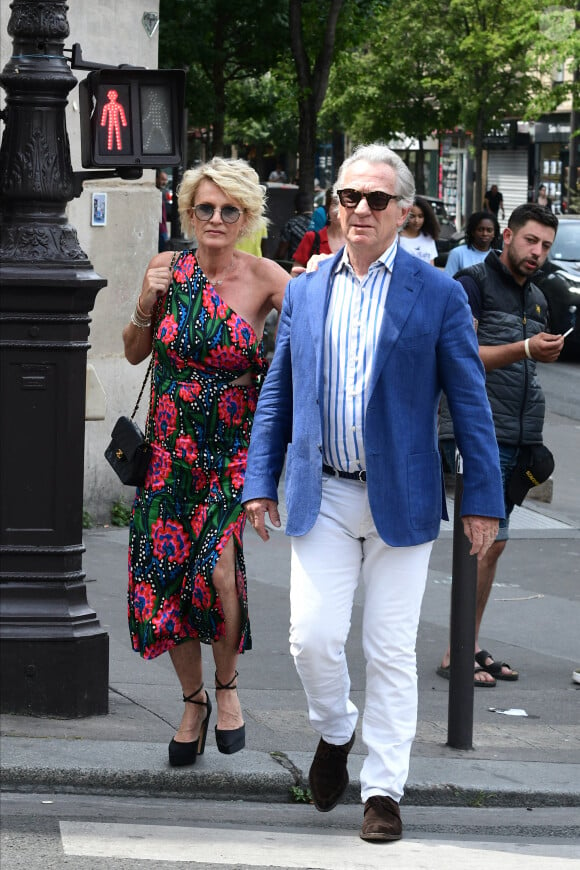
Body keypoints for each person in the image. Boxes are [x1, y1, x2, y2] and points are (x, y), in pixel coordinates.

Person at [242, 143, 504, 843]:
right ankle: (336, 730)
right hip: (322, 491)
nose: (360, 209)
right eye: (349, 197)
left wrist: (483, 498)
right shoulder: (306, 288)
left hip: (404, 497)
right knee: (312, 639)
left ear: (404, 213)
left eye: (377, 200)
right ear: (335, 207)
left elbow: (470, 403)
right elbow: (280, 390)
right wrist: (257, 481)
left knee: (390, 648)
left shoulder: (439, 294)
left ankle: (384, 789)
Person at [123, 157, 288, 768]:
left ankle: (227, 687)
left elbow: (312, 344)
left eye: (230, 210)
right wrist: (146, 301)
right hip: (167, 455)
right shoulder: (168, 270)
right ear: (189, 213)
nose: (216, 219)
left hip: (227, 456)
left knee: (216, 578)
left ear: (246, 217)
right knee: (166, 582)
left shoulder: (268, 278)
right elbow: (135, 352)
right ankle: (191, 702)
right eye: (206, 208)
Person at [437, 203, 564, 686]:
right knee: (483, 542)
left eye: (546, 246)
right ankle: (457, 652)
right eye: (531, 241)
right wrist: (527, 349)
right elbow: (461, 358)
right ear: (506, 236)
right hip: (479, 433)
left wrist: (537, 354)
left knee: (495, 545)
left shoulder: (535, 295)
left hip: (518, 436)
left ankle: (465, 643)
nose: (538, 253)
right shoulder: (471, 285)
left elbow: (524, 364)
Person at [290, 193, 345, 277]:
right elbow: (295, 272)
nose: (338, 210)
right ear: (327, 208)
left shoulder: (357, 241)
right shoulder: (312, 237)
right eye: (335, 203)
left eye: (344, 204)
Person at [444, 211, 500, 275]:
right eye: (480, 230)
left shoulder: (499, 256)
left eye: (489, 230)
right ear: (472, 232)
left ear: (494, 234)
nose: (485, 233)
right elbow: (449, 281)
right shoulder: (457, 253)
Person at [397, 195, 440, 264]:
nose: (416, 220)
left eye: (420, 216)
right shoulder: (397, 238)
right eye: (412, 216)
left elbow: (431, 266)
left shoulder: (429, 238)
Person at [274, 192, 313, 261]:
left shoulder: (291, 224)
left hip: (296, 266)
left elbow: (281, 253)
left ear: (296, 206)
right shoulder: (321, 222)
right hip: (318, 267)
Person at [156, 169, 170, 252]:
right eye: (162, 179)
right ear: (156, 179)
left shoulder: (163, 192)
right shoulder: (156, 194)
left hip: (163, 230)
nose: (164, 182)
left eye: (165, 180)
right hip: (160, 231)